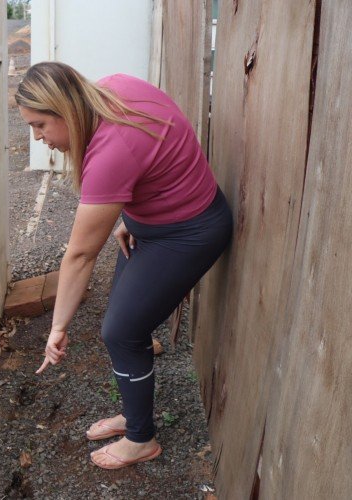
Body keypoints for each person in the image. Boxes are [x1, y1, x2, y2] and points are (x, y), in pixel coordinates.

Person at [16, 62, 232, 470]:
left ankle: (141, 438)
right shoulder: (113, 89)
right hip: (157, 225)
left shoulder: (111, 151)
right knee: (124, 320)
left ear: (65, 108)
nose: (38, 138)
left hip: (188, 233)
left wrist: (58, 328)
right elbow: (158, 160)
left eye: (40, 125)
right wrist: (133, 219)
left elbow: (79, 256)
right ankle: (135, 410)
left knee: (121, 330)